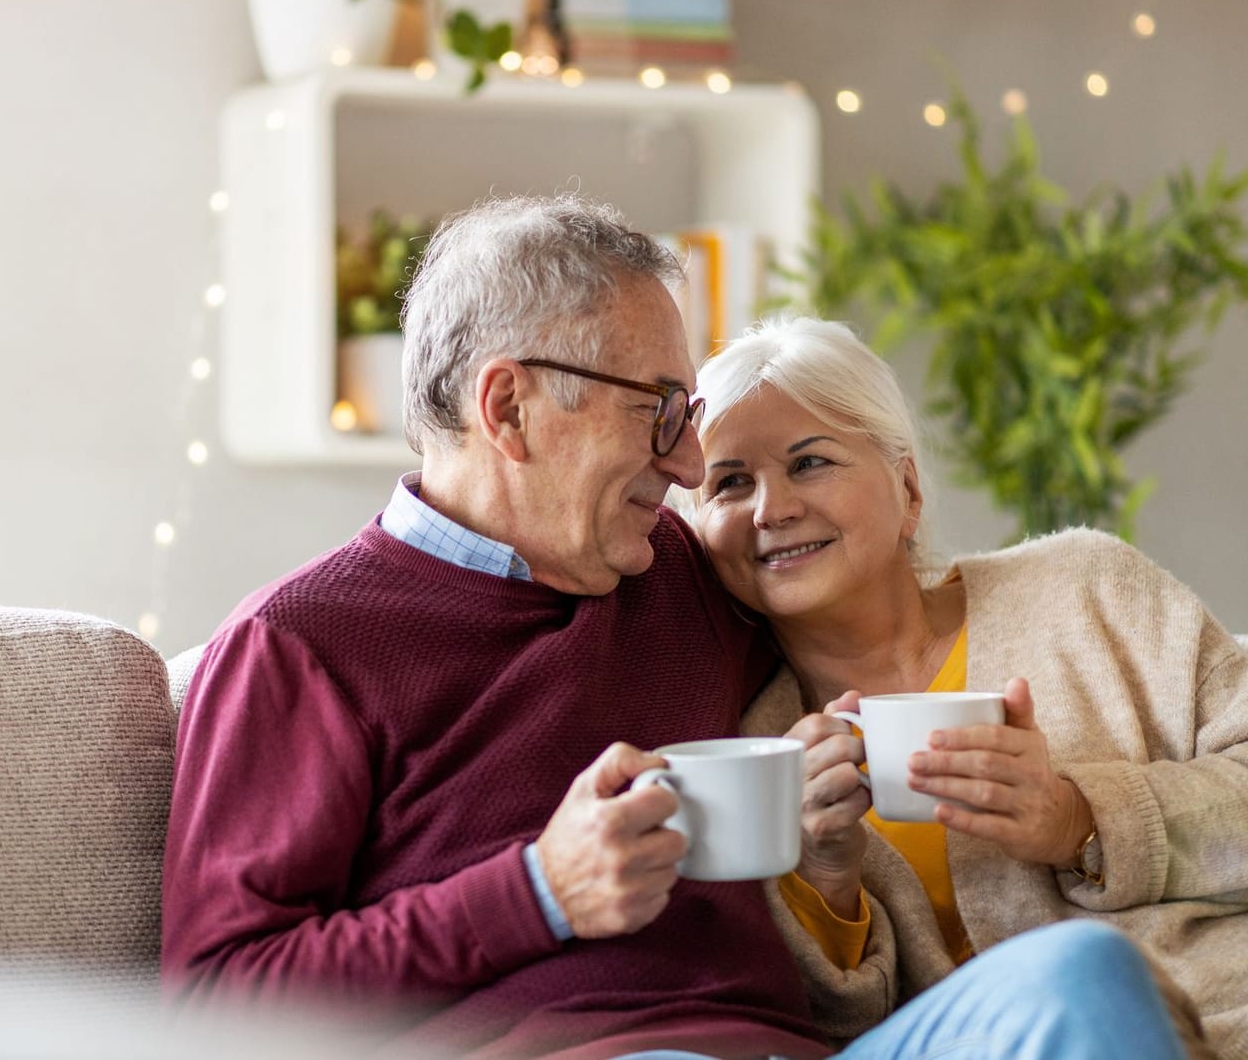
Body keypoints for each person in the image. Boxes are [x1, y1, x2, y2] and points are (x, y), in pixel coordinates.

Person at [161, 196, 1194, 1060]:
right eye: (658, 411)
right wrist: (536, 892)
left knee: (1082, 977)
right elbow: (220, 1005)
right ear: (510, 407)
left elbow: (864, 581)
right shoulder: (301, 645)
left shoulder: (686, 577)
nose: (692, 468)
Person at [679, 315, 1248, 1060]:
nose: (772, 508)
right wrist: (825, 875)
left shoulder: (1086, 586)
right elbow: (845, 1032)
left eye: (809, 461)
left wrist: (1079, 820)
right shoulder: (759, 746)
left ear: (908, 490)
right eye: (730, 483)